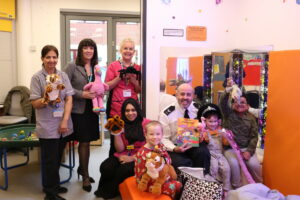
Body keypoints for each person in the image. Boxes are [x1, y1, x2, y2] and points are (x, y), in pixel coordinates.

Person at [30, 45, 74, 200]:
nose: (51, 60)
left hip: (63, 123)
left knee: (57, 158)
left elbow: (69, 98)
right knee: (49, 160)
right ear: (42, 59)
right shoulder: (37, 78)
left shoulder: (62, 75)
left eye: (54, 57)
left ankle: (53, 185)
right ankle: (50, 193)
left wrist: (65, 120)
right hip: (47, 125)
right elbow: (35, 103)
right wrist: (47, 97)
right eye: (48, 57)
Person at [94, 98, 150, 199]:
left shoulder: (146, 124)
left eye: (133, 110)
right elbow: (119, 150)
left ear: (137, 110)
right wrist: (116, 133)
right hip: (123, 153)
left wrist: (132, 158)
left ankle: (109, 191)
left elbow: (150, 147)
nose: (130, 113)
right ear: (123, 112)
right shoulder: (120, 123)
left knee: (123, 169)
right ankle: (106, 189)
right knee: (106, 167)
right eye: (127, 111)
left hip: (140, 156)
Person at [64, 38, 100, 192]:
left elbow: (98, 84)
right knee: (83, 142)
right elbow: (64, 87)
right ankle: (85, 175)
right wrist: (81, 94)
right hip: (77, 110)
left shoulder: (95, 66)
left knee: (87, 142)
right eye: (85, 48)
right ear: (80, 50)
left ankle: (82, 169)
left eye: (91, 48)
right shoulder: (72, 65)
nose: (88, 50)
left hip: (92, 110)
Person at [219, 77, 262, 188]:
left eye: (243, 102)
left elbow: (254, 137)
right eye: (237, 101)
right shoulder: (228, 114)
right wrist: (228, 89)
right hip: (231, 149)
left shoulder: (251, 118)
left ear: (248, 106)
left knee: (255, 165)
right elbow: (223, 102)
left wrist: (249, 151)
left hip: (246, 148)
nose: (240, 104)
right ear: (233, 104)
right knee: (234, 164)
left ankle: (259, 188)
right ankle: (237, 189)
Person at [159, 83, 211, 174]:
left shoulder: (198, 110)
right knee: (184, 164)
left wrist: (203, 134)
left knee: (204, 154)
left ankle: (203, 183)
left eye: (188, 94)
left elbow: (205, 127)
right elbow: (163, 138)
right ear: (176, 95)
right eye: (182, 94)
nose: (185, 97)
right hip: (174, 146)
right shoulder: (166, 113)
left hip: (193, 144)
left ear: (193, 96)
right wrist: (175, 148)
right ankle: (185, 187)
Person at [105, 38, 141, 156]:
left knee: (132, 139)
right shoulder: (113, 66)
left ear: (134, 52)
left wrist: (134, 81)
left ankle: (130, 165)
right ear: (120, 50)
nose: (128, 51)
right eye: (125, 48)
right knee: (115, 141)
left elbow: (140, 90)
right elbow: (107, 86)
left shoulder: (137, 68)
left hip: (132, 111)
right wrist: (119, 77)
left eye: (131, 49)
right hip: (116, 109)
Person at [135, 121, 182, 198]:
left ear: (162, 135)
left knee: (178, 179)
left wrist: (163, 155)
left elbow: (169, 161)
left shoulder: (161, 146)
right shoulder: (142, 153)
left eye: (158, 134)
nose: (155, 137)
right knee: (177, 185)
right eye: (151, 134)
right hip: (148, 182)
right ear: (145, 135)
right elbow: (141, 174)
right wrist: (160, 181)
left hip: (161, 176)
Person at [197, 103, 231, 194]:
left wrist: (227, 137)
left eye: (215, 121)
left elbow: (225, 143)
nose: (213, 124)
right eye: (210, 121)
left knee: (226, 168)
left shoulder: (221, 130)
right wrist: (202, 133)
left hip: (220, 154)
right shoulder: (205, 132)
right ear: (205, 121)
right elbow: (203, 141)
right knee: (214, 168)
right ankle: (214, 187)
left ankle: (226, 189)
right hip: (211, 154)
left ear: (218, 121)